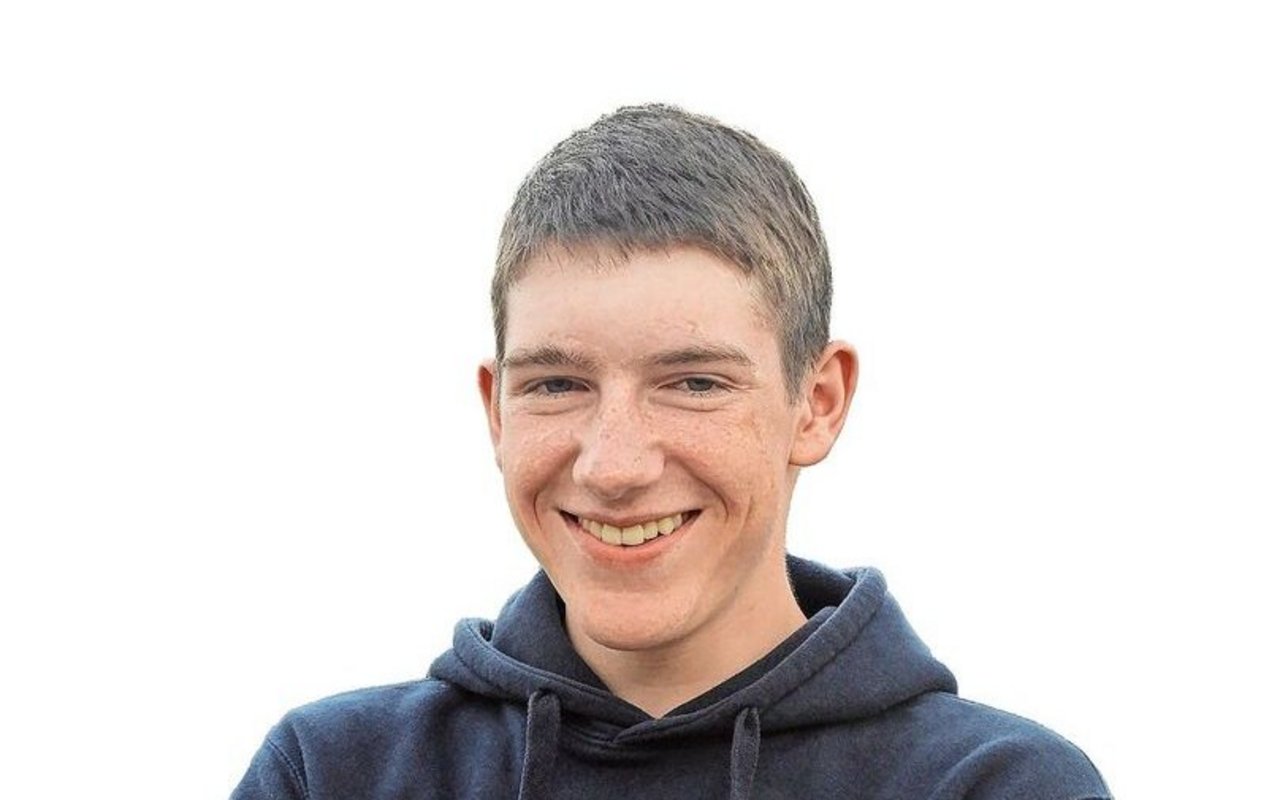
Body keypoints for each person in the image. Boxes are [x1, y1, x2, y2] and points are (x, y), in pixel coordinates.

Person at [231, 103, 1110, 799]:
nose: (614, 466)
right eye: (557, 384)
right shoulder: (330, 773)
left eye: (693, 382)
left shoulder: (995, 785)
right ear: (495, 411)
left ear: (818, 403)